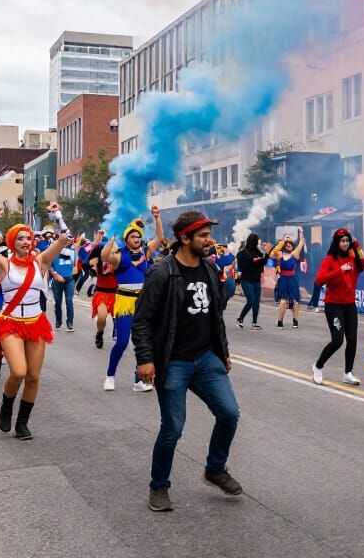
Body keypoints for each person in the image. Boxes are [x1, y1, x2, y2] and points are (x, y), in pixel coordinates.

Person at [131, 211, 242, 512]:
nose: (210, 241)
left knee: (229, 413)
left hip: (207, 358)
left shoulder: (207, 267)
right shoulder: (162, 272)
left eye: (209, 234)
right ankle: (159, 487)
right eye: (203, 236)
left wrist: (224, 352)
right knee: (173, 427)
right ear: (184, 238)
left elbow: (214, 315)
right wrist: (145, 359)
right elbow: (141, 320)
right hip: (173, 362)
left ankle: (215, 468)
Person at [0, 204, 71, 440]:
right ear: (13, 242)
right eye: (21, 239)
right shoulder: (3, 263)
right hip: (10, 322)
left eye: (29, 238)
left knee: (34, 376)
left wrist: (57, 216)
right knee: (18, 371)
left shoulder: (41, 262)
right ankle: (7, 405)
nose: (26, 242)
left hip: (35, 321)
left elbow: (65, 238)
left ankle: (22, 423)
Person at [312, 229, 364, 386]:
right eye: (342, 241)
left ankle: (348, 373)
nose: (345, 243)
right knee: (338, 340)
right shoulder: (329, 260)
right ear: (336, 243)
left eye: (347, 240)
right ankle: (318, 366)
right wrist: (339, 271)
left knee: (352, 340)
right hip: (333, 305)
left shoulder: (354, 260)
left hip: (350, 306)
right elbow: (319, 280)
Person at [101, 207, 165, 392]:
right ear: (126, 239)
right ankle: (110, 376)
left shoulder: (146, 253)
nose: (137, 239)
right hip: (125, 302)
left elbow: (159, 238)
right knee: (121, 342)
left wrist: (157, 218)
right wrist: (112, 236)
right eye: (132, 237)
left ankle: (139, 380)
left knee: (144, 343)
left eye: (138, 237)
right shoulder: (119, 255)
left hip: (144, 303)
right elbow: (105, 256)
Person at [269, 228, 306, 329]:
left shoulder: (295, 253)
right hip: (283, 279)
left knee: (295, 301)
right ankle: (280, 321)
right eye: (286, 243)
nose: (288, 244)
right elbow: (272, 253)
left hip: (292, 279)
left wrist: (301, 233)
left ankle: (295, 320)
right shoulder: (279, 254)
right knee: (283, 301)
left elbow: (301, 243)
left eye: (290, 242)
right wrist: (283, 241)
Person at [85, 230, 115, 348]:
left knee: (117, 318)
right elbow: (87, 263)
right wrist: (96, 243)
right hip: (101, 292)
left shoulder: (116, 260)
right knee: (101, 318)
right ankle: (99, 333)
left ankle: (116, 333)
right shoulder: (97, 260)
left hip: (116, 293)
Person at [234, 234, 265, 330]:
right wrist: (237, 282)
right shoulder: (241, 254)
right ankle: (240, 319)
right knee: (251, 301)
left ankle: (254, 322)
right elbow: (239, 269)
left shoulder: (259, 253)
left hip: (256, 280)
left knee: (256, 302)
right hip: (246, 280)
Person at [50, 235, 77, 332]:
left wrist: (72, 274)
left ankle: (70, 322)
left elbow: (74, 266)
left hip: (69, 280)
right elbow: (48, 264)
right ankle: (58, 321)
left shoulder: (72, 252)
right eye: (65, 239)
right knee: (58, 302)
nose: (68, 241)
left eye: (69, 240)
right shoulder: (53, 250)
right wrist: (55, 273)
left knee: (69, 301)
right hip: (57, 281)